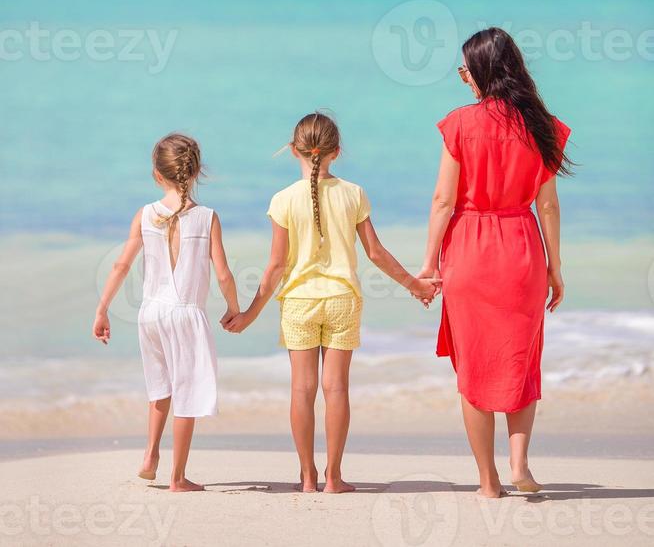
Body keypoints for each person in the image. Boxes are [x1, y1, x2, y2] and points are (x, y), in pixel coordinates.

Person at [224, 111, 438, 493]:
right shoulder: (353, 193)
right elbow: (375, 252)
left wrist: (250, 314)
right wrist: (415, 285)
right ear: (337, 151)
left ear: (294, 151)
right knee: (336, 389)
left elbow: (275, 267)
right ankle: (334, 477)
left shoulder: (283, 200)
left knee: (301, 391)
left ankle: (307, 477)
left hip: (299, 304)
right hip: (342, 300)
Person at [418, 28, 572, 498]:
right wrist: (555, 266)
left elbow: (444, 200)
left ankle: (489, 483)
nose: (463, 77)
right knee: (520, 363)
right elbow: (547, 205)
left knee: (475, 369)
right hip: (522, 250)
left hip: (468, 250)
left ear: (481, 70)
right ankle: (520, 463)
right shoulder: (541, 125)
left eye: (465, 68)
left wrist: (428, 264)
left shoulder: (460, 124)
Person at [93, 133, 238, 491]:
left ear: (158, 175)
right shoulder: (206, 218)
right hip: (185, 315)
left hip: (150, 314)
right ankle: (177, 477)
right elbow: (223, 273)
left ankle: (150, 455)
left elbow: (120, 266)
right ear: (196, 171)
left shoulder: (145, 215)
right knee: (187, 392)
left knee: (159, 388)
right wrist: (235, 307)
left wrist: (102, 309)